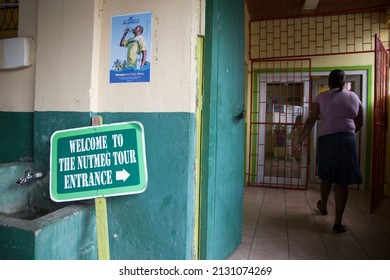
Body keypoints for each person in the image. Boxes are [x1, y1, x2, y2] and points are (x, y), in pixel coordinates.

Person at [293, 69, 363, 233]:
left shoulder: (322, 97)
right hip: (348, 139)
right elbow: (360, 122)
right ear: (344, 82)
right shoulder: (353, 97)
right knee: (342, 182)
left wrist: (299, 142)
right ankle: (338, 223)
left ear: (329, 82)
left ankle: (323, 205)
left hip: (327, 140)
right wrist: (347, 135)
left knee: (326, 176)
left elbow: (311, 121)